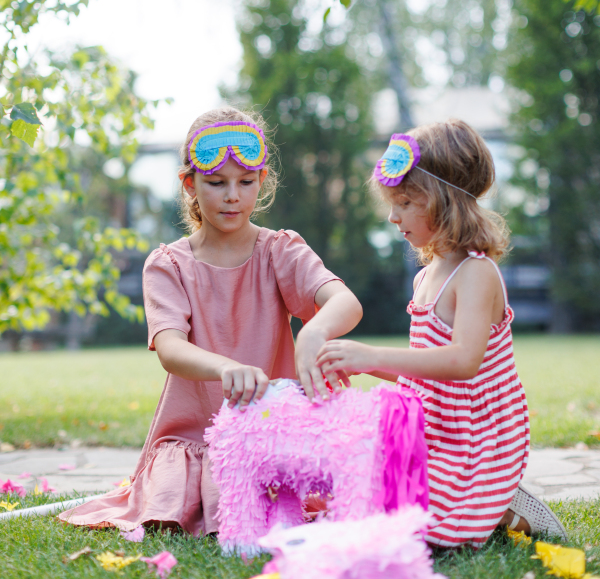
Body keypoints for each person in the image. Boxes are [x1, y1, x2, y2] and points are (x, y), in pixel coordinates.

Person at [60, 106, 362, 536]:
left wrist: (314, 330)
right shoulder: (169, 264)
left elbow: (345, 303)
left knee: (285, 491)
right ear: (190, 185)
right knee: (216, 503)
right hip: (195, 438)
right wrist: (225, 367)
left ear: (262, 182)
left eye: (246, 182)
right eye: (216, 183)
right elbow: (169, 347)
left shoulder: (280, 251)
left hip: (273, 431)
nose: (232, 196)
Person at [317, 120, 566, 548]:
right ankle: (491, 503)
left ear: (446, 202)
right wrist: (360, 365)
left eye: (406, 202)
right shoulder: (427, 276)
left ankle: (508, 507)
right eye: (393, 203)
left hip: (476, 435)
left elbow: (462, 363)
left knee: (422, 532)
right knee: (369, 503)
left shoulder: (476, 273)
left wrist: (371, 354)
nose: (394, 216)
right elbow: (427, 373)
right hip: (435, 425)